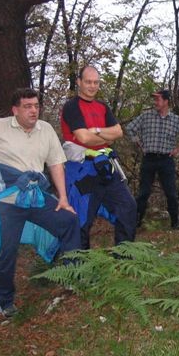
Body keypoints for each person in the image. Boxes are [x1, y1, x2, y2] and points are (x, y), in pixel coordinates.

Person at [0, 88, 81, 317]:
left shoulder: (45, 129)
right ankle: (4, 301)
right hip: (7, 202)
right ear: (15, 109)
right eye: (27, 106)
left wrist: (64, 199)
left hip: (36, 198)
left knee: (69, 220)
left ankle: (71, 278)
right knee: (6, 251)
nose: (33, 111)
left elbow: (56, 163)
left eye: (36, 106)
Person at [60, 65, 137, 248]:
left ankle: (124, 260)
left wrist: (95, 131)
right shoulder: (71, 107)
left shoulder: (102, 107)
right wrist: (103, 135)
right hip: (82, 171)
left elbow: (118, 132)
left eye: (96, 82)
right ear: (79, 82)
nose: (92, 86)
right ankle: (78, 270)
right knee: (82, 220)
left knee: (128, 207)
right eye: (88, 82)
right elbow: (83, 138)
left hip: (106, 167)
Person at [126, 89, 179, 229]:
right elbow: (130, 128)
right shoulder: (146, 116)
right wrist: (139, 143)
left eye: (158, 99)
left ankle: (175, 224)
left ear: (166, 101)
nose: (155, 102)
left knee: (171, 193)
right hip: (148, 159)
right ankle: (136, 223)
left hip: (166, 160)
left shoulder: (176, 120)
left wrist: (177, 150)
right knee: (143, 192)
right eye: (155, 99)